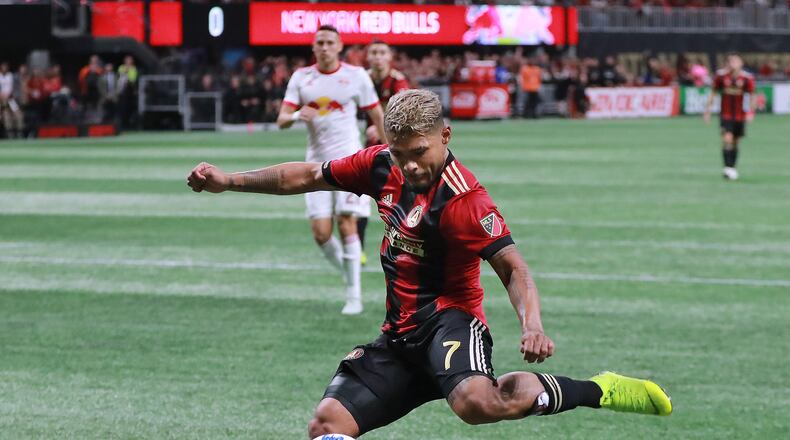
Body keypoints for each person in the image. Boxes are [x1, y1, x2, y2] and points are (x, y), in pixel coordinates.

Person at [187, 89, 673, 438]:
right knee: (326, 425)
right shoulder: (382, 165)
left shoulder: (467, 203)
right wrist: (229, 181)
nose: (410, 165)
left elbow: (513, 268)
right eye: (401, 155)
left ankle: (599, 390)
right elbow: (310, 174)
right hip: (398, 337)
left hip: (450, 323)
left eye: (419, 152)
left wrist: (533, 324)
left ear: (445, 134)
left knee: (478, 403)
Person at [275, 25, 386, 315]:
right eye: (319, 43)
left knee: (346, 222)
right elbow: (281, 119)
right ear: (313, 48)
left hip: (351, 161)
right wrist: (298, 114)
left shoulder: (355, 76)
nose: (324, 47)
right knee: (321, 233)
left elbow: (375, 113)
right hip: (314, 163)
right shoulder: (302, 78)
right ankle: (350, 274)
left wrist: (390, 150)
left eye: (329, 42)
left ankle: (354, 295)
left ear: (339, 47)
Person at [360, 39, 410, 265]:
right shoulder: (362, 79)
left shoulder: (399, 82)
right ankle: (358, 248)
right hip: (367, 145)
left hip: (396, 149)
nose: (378, 57)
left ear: (389, 57)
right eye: (374, 53)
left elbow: (406, 114)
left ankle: (405, 243)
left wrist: (382, 128)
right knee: (357, 196)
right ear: (368, 57)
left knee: (398, 197)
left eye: (382, 52)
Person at [704, 53, 755, 181]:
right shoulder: (721, 76)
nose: (733, 64)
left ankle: (732, 167)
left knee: (736, 142)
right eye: (731, 61)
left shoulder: (746, 78)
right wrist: (707, 111)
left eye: (736, 62)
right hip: (725, 115)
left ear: (741, 63)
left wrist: (751, 112)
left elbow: (753, 96)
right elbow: (713, 92)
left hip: (739, 116)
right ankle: (727, 168)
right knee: (727, 138)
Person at [0, 62, 24, 138]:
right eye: (3, 67)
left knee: (18, 114)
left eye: (5, 67)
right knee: (6, 115)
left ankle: (19, 132)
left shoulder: (12, 76)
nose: (4, 68)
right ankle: (9, 133)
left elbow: (17, 89)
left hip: (11, 99)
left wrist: (12, 95)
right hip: (1, 100)